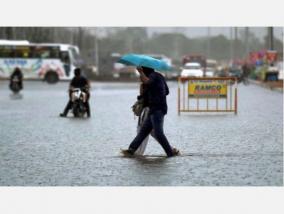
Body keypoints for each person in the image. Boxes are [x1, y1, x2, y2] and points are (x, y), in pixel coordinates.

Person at [122, 66, 179, 157]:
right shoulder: (159, 76)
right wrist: (151, 91)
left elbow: (147, 81)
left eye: (143, 72)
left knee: (158, 133)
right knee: (143, 132)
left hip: (157, 109)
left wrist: (140, 72)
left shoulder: (153, 76)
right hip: (154, 109)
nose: (141, 77)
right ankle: (131, 150)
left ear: (145, 71)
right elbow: (167, 91)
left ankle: (170, 152)